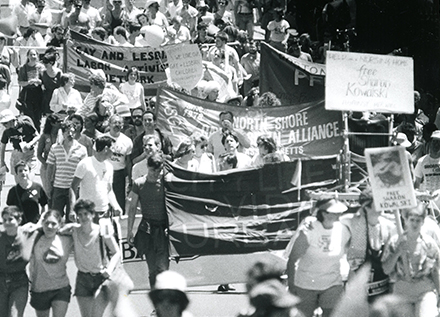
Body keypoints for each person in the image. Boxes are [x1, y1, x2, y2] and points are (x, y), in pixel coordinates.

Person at [286, 198, 350, 317]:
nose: (339, 215)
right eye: (334, 212)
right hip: (305, 284)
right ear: (324, 213)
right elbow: (293, 259)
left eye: (339, 212)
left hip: (332, 283)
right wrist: (291, 284)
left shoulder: (344, 229)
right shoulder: (308, 230)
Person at [382, 201, 440, 317]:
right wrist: (398, 252)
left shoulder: (429, 244)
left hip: (424, 290)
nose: (414, 224)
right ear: (405, 220)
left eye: (418, 220)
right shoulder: (395, 242)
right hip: (402, 291)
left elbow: (435, 271)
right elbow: (386, 269)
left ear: (423, 222)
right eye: (412, 220)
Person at [340, 188, 396, 300]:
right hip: (357, 286)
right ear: (366, 206)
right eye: (378, 203)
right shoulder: (352, 222)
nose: (382, 206)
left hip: (381, 286)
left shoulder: (388, 226)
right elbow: (332, 220)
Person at [69, 199, 121, 317]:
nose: (83, 217)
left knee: (97, 315)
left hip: (100, 278)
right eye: (80, 214)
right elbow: (54, 228)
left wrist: (109, 269)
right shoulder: (74, 230)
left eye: (86, 214)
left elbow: (116, 252)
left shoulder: (102, 230)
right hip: (82, 278)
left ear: (92, 214)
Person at [127, 153, 169, 287]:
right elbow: (132, 207)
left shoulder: (166, 183)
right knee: (152, 270)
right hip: (148, 231)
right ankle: (157, 302)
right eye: (152, 170)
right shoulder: (139, 183)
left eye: (159, 170)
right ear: (147, 167)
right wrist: (129, 231)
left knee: (163, 269)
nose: (156, 174)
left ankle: (165, 303)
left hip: (164, 231)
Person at [26, 210, 73, 317]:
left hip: (61, 288)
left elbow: (82, 231)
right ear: (42, 223)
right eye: (46, 223)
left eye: (53, 223)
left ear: (59, 225)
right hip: (39, 289)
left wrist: (66, 228)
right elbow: (21, 230)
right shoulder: (34, 238)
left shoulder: (66, 239)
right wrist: (36, 227)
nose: (50, 226)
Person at [71, 136, 123, 222]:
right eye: (113, 148)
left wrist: (116, 206)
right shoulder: (85, 164)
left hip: (105, 212)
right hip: (86, 212)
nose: (114, 151)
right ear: (106, 148)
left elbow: (109, 190)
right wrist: (73, 209)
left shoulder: (109, 167)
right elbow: (73, 187)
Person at [46, 121, 87, 220]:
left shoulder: (82, 149)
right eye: (67, 132)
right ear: (63, 133)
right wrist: (48, 187)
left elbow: (84, 170)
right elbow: (50, 168)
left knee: (72, 218)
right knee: (55, 217)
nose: (70, 134)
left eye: (72, 132)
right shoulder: (55, 148)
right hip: (58, 187)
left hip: (74, 189)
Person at [0, 206, 29, 317]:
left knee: (14, 315)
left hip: (19, 282)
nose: (7, 222)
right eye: (4, 220)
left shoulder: (27, 235)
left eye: (10, 219)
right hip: (1, 281)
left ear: (19, 220)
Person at [104, 114, 133, 214]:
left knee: (120, 203)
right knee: (104, 203)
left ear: (123, 125)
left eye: (119, 123)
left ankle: (118, 227)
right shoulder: (102, 138)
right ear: (109, 124)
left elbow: (128, 161)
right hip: (104, 174)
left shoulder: (127, 141)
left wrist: (130, 179)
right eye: (114, 122)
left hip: (119, 175)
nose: (117, 125)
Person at [0, 109, 39, 175]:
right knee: (18, 180)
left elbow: (37, 136)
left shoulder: (25, 124)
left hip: (30, 153)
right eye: (2, 123)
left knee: (30, 177)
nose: (4, 125)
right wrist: (2, 162)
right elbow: (2, 146)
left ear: (11, 120)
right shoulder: (7, 131)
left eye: (5, 123)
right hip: (17, 154)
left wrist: (30, 144)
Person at [17, 49, 45, 131]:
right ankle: (29, 136)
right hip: (27, 93)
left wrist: (38, 81)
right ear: (27, 56)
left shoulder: (41, 67)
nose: (33, 57)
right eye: (31, 55)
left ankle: (38, 135)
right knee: (28, 116)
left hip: (38, 93)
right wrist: (28, 83)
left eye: (34, 55)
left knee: (38, 116)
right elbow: (20, 82)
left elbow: (44, 81)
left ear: (37, 56)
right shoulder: (23, 68)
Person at [37, 113, 62, 195]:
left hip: (59, 168)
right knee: (48, 192)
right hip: (46, 167)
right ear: (52, 123)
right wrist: (47, 164)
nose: (61, 123)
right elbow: (39, 154)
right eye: (58, 121)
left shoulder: (62, 135)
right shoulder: (44, 136)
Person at [414, 130, 440, 208]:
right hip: (427, 201)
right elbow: (417, 183)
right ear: (430, 143)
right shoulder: (421, 161)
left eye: (439, 142)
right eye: (434, 142)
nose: (436, 145)